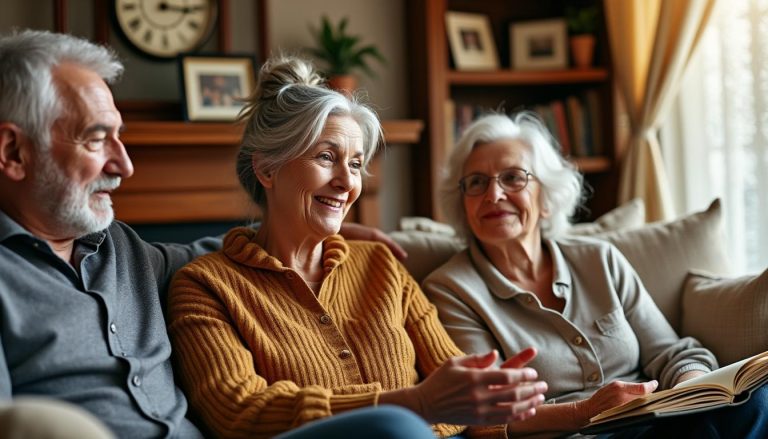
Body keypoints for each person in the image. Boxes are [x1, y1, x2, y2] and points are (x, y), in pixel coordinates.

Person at [0, 29, 426, 439]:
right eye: (96, 140)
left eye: (120, 137)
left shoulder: (126, 251)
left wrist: (315, 221)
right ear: (13, 153)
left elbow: (240, 261)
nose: (124, 166)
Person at [167, 55, 549, 439]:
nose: (346, 183)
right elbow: (241, 413)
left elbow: (465, 401)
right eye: (326, 157)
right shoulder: (204, 286)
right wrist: (416, 405)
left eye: (355, 164)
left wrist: (587, 412)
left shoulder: (379, 263)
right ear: (267, 169)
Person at [422, 112, 768, 437]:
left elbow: (671, 353)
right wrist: (586, 411)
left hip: (656, 421)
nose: (494, 194)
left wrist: (695, 394)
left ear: (546, 198)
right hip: (574, 433)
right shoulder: (451, 289)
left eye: (513, 177)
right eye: (477, 183)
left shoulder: (599, 259)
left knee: (757, 400)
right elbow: (484, 414)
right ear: (462, 204)